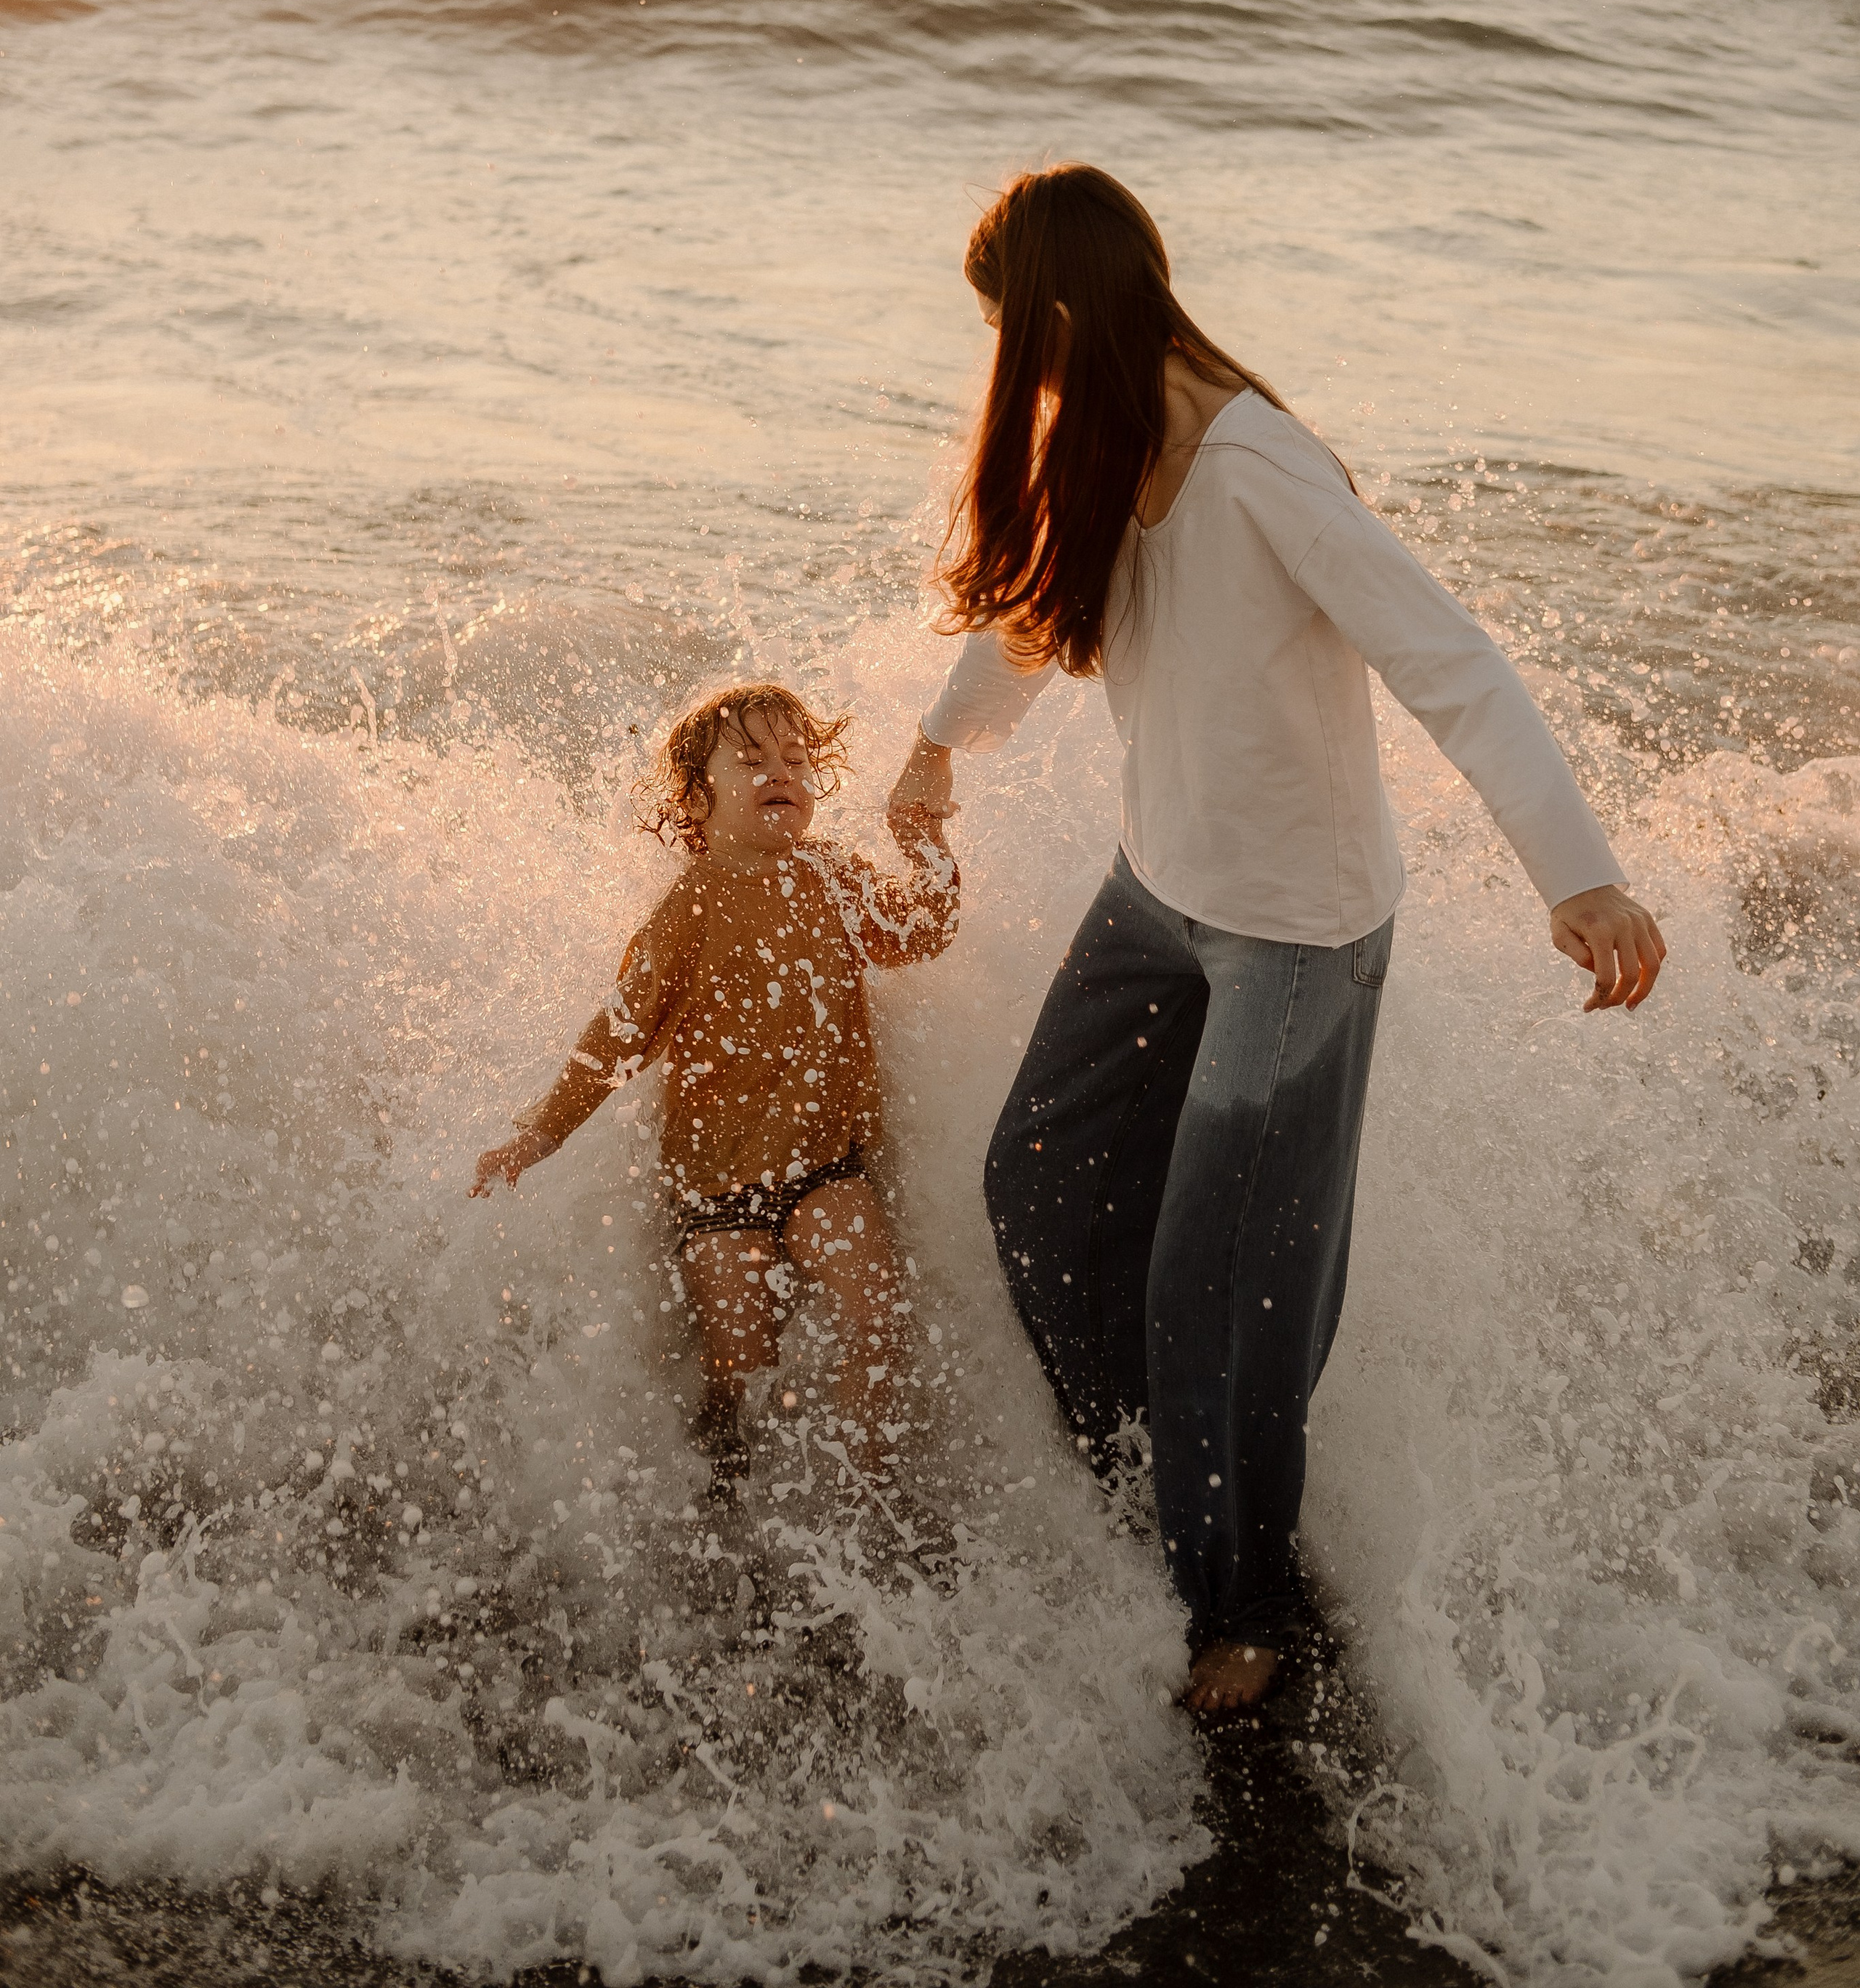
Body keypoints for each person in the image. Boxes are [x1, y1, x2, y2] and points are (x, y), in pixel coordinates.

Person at [886, 165, 1665, 1715]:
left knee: (1212, 1288)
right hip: (1152, 898)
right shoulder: (1106, 445)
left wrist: (1575, 877)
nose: (1003, 367)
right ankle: (1162, 1494)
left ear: (1052, 318)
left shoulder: (1260, 467)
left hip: (1292, 939)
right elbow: (1034, 613)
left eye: (1004, 331)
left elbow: (1448, 660)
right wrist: (933, 751)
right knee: (1032, 1187)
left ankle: (1248, 1603)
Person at [473, 682, 958, 1498]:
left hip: (825, 1168)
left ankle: (863, 1497)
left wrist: (924, 843)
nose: (783, 772)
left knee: (876, 1312)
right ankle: (724, 1494)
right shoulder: (690, 908)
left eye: (798, 759)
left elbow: (920, 932)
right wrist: (539, 1134)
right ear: (700, 796)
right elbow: (618, 1036)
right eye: (754, 759)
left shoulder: (833, 875)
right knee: (742, 1361)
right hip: (717, 1186)